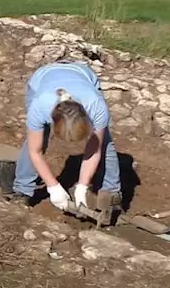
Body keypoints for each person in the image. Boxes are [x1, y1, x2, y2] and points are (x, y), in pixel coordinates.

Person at [14, 61, 121, 213]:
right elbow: (34, 151)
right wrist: (53, 187)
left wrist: (82, 187)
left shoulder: (96, 106)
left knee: (104, 142)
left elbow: (94, 150)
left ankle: (110, 194)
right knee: (36, 140)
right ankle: (22, 190)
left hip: (84, 75)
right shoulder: (40, 106)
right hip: (42, 79)